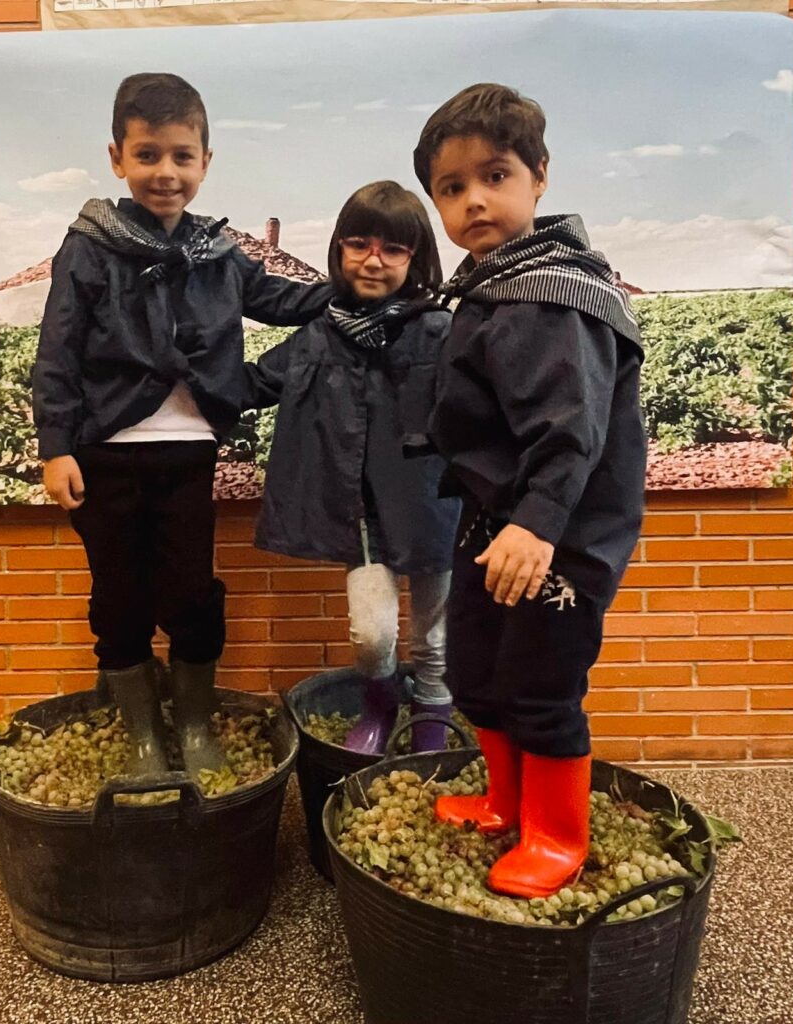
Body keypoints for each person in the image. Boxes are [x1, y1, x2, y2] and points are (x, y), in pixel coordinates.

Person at [32, 72, 330, 776]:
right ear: (117, 158)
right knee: (119, 599)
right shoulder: (90, 246)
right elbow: (58, 351)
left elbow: (288, 301)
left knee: (192, 595)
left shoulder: (220, 254)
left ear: (205, 161)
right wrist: (55, 446)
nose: (165, 172)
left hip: (188, 455)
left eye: (181, 156)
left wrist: (362, 289)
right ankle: (142, 740)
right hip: (105, 456)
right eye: (147, 155)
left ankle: (194, 728)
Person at [412, 83, 647, 896]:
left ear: (538, 178)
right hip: (497, 521)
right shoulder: (492, 282)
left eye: (495, 175)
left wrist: (539, 524)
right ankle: (506, 800)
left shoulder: (553, 291)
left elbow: (570, 429)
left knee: (542, 683)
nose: (474, 199)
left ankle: (556, 835)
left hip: (561, 532)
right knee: (478, 668)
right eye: (450, 187)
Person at [241, 181, 460, 754]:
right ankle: (381, 702)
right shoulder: (321, 332)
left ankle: (433, 717)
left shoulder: (440, 331)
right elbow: (254, 382)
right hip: (362, 516)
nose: (372, 260)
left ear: (416, 258)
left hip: (436, 505)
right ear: (338, 249)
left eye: (392, 249)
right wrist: (172, 376)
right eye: (358, 244)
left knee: (434, 634)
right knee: (372, 633)